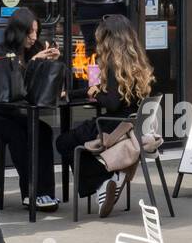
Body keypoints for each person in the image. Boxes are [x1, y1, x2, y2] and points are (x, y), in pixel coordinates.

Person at [55, 13, 154, 217]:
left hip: (111, 127)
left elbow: (111, 102)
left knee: (64, 142)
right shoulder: (136, 62)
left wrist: (97, 93)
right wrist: (72, 93)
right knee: (75, 142)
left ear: (110, 39)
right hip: (130, 126)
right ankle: (107, 180)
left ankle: (105, 179)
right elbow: (105, 92)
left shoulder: (112, 65)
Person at [0, 8, 62, 211]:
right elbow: (9, 91)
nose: (33, 37)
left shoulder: (33, 49)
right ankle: (31, 193)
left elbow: (33, 87)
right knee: (17, 133)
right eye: (29, 32)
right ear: (18, 31)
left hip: (11, 113)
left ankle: (45, 192)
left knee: (44, 130)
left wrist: (50, 62)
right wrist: (33, 63)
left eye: (36, 32)